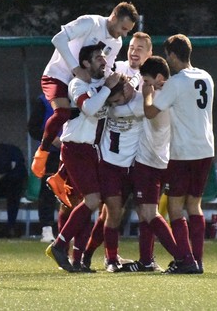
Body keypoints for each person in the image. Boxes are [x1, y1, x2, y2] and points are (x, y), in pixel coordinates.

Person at [31, 2, 139, 183]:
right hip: (58, 76)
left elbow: (105, 69)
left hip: (82, 83)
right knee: (63, 113)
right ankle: (42, 152)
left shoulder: (117, 42)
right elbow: (58, 39)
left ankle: (60, 177)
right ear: (114, 17)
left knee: (90, 126)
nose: (124, 34)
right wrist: (75, 69)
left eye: (128, 30)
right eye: (123, 28)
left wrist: (118, 82)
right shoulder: (90, 23)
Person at [143, 34, 215, 274]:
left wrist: (147, 92)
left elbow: (152, 112)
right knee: (195, 205)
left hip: (183, 152)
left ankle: (186, 260)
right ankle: (199, 260)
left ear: (173, 55)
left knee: (175, 207)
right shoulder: (206, 76)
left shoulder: (176, 82)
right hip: (205, 149)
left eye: (168, 56)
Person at [46, 43, 121, 273]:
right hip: (75, 148)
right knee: (88, 201)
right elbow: (88, 108)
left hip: (90, 150)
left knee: (89, 202)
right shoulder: (77, 84)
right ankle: (59, 245)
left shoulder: (99, 83)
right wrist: (108, 89)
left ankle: (77, 258)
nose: (103, 60)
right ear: (85, 64)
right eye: (98, 57)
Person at [82, 32, 153, 269]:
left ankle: (147, 260)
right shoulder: (116, 70)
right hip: (111, 160)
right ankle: (104, 257)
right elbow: (100, 90)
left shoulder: (150, 81)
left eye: (140, 48)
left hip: (138, 161)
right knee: (111, 212)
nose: (134, 51)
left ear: (149, 54)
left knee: (145, 212)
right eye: (132, 46)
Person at [119, 56, 188, 273]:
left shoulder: (156, 98)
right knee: (145, 212)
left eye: (146, 80)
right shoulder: (174, 96)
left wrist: (144, 94)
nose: (143, 84)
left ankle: (183, 258)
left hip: (149, 163)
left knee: (149, 213)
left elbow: (133, 111)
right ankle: (146, 260)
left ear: (158, 78)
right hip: (163, 160)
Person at [27, 93, 64, 242]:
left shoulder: (79, 95)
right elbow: (33, 128)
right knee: (49, 190)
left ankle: (70, 230)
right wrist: (53, 139)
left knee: (73, 192)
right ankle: (47, 229)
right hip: (52, 153)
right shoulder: (44, 100)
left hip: (75, 152)